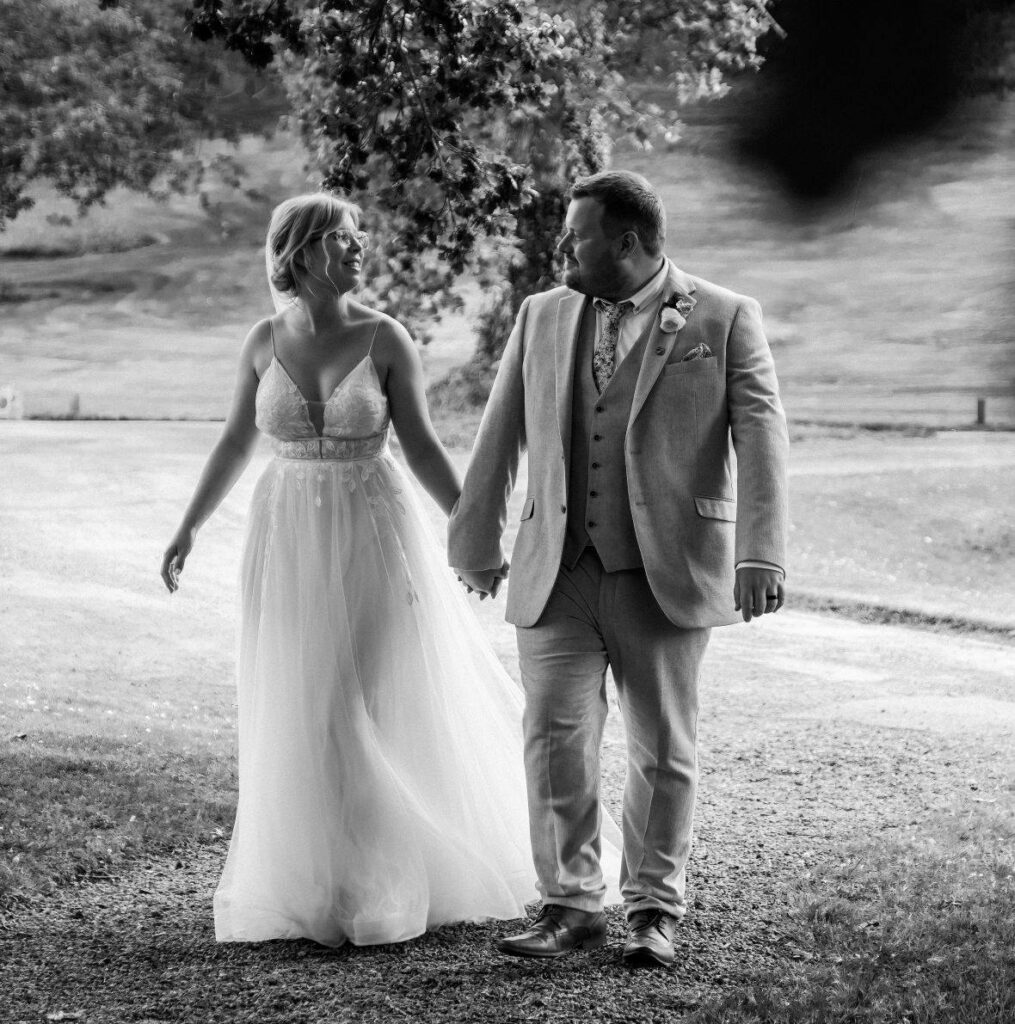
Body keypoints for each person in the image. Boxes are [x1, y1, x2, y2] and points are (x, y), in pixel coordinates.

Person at [159, 192, 552, 947]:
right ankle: (317, 876)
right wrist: (189, 526)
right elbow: (237, 439)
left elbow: (424, 446)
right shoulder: (261, 341)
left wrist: (473, 534)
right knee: (304, 701)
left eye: (358, 236)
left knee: (364, 696)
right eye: (343, 237)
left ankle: (385, 876)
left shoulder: (385, 338)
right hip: (286, 537)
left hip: (374, 528)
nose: (359, 247)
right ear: (302, 251)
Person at [448, 170, 789, 968]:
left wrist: (759, 552)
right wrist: (474, 541)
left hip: (666, 568)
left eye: (577, 236)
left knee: (662, 748)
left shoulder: (723, 317)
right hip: (557, 566)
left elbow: (761, 439)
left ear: (626, 242)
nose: (561, 247)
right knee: (552, 737)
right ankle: (569, 904)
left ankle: (652, 909)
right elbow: (499, 432)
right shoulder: (540, 315)